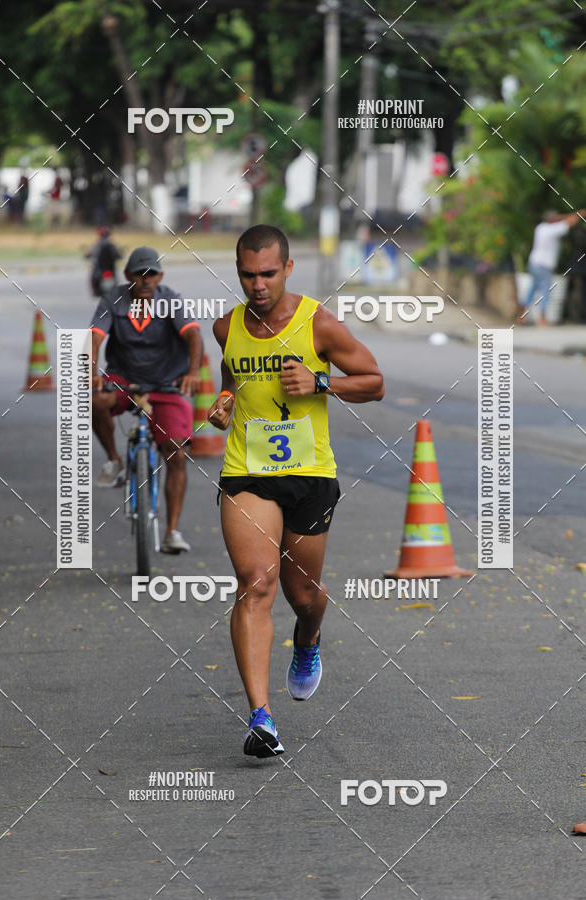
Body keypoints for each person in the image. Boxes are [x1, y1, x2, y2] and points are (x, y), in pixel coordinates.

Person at [207, 224, 384, 758]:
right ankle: (261, 719)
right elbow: (233, 373)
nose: (257, 285)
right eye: (246, 274)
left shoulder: (320, 326)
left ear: (287, 268)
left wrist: (321, 382)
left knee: (302, 594)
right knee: (254, 584)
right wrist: (224, 400)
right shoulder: (226, 327)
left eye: (266, 273)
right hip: (247, 473)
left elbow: (374, 382)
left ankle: (307, 638)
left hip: (309, 476)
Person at [90, 246, 203, 553]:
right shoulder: (114, 299)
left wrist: (193, 372)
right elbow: (95, 337)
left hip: (167, 383)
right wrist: (91, 373)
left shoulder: (171, 300)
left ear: (160, 276)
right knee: (95, 400)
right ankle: (114, 460)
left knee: (177, 454)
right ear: (128, 276)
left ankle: (171, 531)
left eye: (151, 273)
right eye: (139, 273)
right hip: (124, 380)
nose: (145, 279)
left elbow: (193, 335)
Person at [517, 209, 586, 325]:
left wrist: (560, 217)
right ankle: (541, 319)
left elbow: (562, 221)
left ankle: (522, 314)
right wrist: (581, 213)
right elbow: (571, 221)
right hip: (544, 265)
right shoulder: (552, 230)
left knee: (533, 287)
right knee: (545, 290)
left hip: (534, 262)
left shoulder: (540, 228)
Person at [85, 226, 122, 297]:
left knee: (93, 278)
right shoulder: (112, 245)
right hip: (110, 269)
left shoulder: (96, 245)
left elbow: (90, 254)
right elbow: (118, 255)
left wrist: (87, 255)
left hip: (99, 269)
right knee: (115, 278)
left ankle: (94, 291)